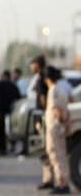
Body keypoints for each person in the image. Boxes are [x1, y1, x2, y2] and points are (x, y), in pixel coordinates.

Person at [40, 66, 71, 194]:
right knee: (60, 156)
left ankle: (62, 183)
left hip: (54, 127)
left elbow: (57, 110)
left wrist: (62, 122)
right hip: (58, 127)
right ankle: (63, 182)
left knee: (55, 156)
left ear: (47, 78)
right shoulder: (61, 89)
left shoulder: (53, 91)